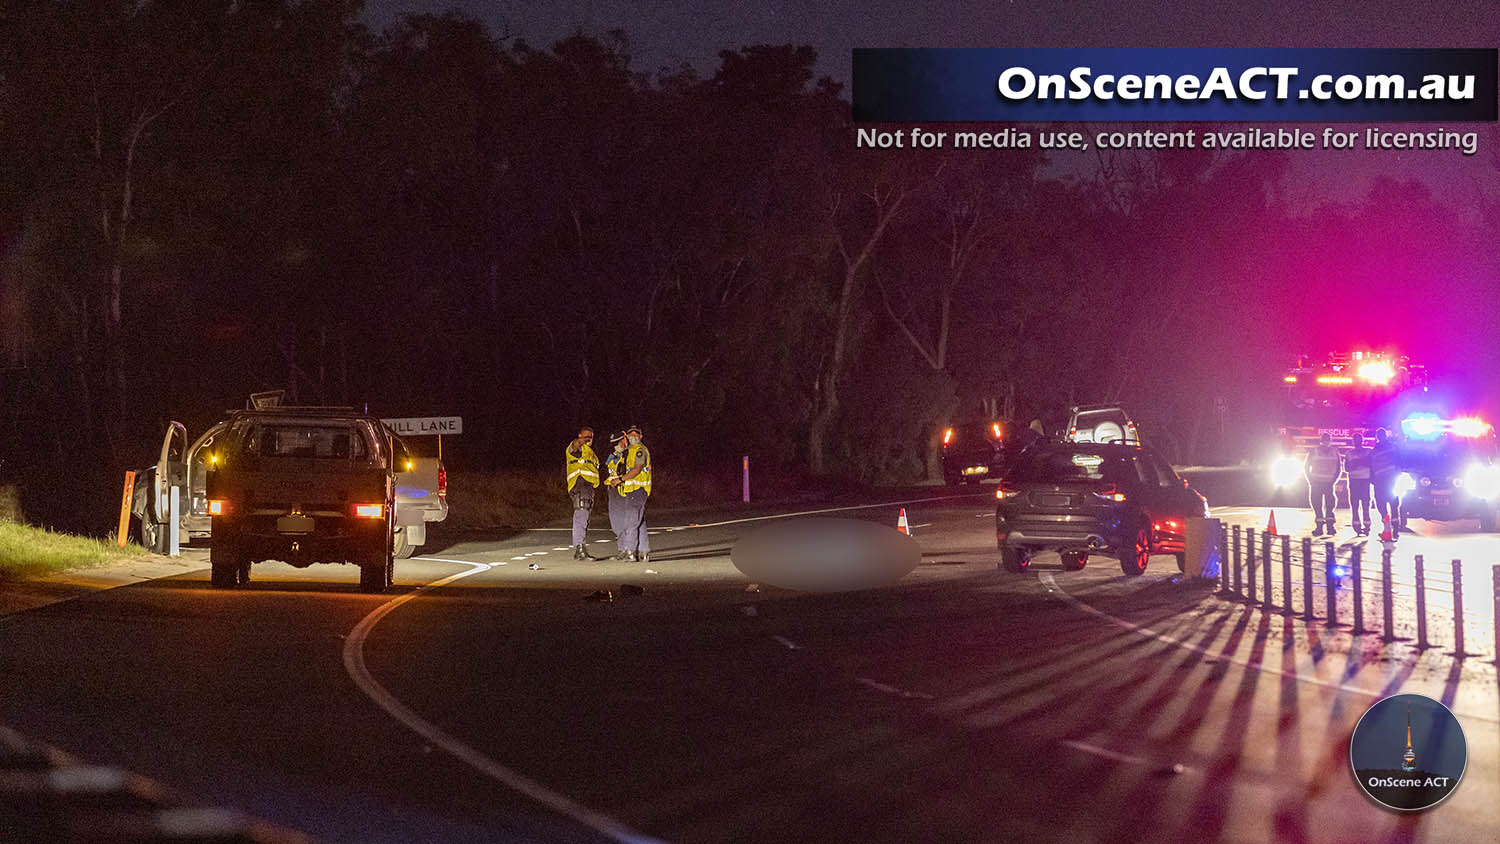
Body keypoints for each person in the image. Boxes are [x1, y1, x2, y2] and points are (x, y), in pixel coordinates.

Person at [607, 425, 652, 562]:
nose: (633, 436)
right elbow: (609, 464)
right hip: (630, 490)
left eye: (635, 434)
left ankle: (630, 551)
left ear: (640, 436)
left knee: (632, 521)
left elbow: (637, 469)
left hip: (638, 489)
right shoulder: (628, 452)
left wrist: (620, 479)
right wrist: (617, 453)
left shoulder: (639, 451)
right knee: (638, 520)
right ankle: (644, 552)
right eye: (630, 434)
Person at [565, 427, 600, 559]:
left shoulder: (590, 452)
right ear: (579, 435)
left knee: (584, 517)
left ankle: (580, 547)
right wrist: (581, 441)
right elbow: (574, 445)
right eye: (586, 435)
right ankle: (579, 549)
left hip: (588, 486)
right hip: (580, 484)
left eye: (591, 436)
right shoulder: (576, 448)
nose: (589, 438)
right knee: (581, 514)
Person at [1304, 432, 1343, 537]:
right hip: (1321, 483)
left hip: (1323, 483)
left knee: (1327, 506)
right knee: (1319, 505)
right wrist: (1311, 481)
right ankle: (1324, 528)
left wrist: (1311, 481)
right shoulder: (1319, 451)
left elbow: (1339, 468)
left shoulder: (1329, 452)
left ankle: (1326, 528)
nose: (1326, 442)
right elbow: (1306, 467)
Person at [1370, 427, 1402, 539]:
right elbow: (1399, 462)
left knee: (1383, 503)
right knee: (1392, 503)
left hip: (1382, 481)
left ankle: (1389, 528)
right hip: (1389, 480)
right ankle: (1393, 528)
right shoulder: (1393, 447)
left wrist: (1372, 480)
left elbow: (1371, 467)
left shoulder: (1375, 450)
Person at [603, 431, 628, 557]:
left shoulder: (629, 454)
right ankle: (622, 548)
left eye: (618, 442)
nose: (616, 446)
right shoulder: (613, 455)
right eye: (614, 443)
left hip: (624, 490)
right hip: (613, 490)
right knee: (616, 521)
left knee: (625, 521)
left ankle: (627, 549)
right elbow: (607, 469)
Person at [1345, 431, 1373, 536]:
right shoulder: (1349, 453)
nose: (1357, 442)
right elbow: (1346, 468)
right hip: (1354, 481)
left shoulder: (1368, 452)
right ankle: (1357, 527)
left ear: (1362, 441)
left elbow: (1371, 464)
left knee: (1365, 505)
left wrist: (1359, 462)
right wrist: (1355, 465)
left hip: (1364, 481)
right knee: (1355, 505)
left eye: (1358, 440)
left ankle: (1366, 526)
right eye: (1355, 440)